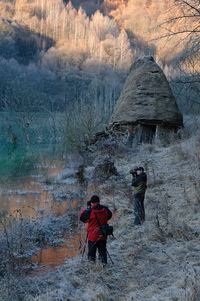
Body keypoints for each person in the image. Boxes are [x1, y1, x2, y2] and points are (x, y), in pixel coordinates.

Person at [79, 195, 112, 264]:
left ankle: (92, 269)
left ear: (91, 202)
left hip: (93, 236)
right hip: (103, 235)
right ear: (99, 201)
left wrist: (88, 208)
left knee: (91, 255)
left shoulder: (90, 211)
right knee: (102, 252)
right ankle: (104, 267)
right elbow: (110, 215)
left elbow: (81, 217)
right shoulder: (105, 209)